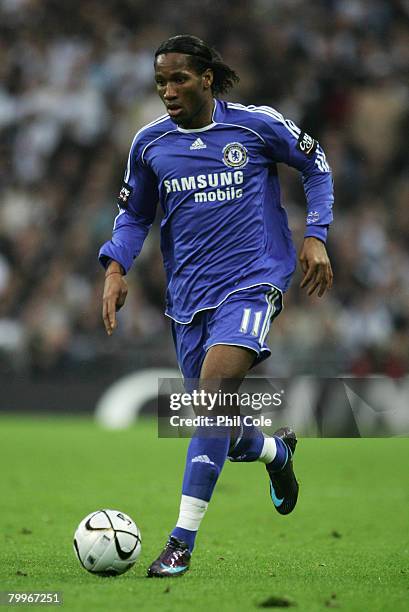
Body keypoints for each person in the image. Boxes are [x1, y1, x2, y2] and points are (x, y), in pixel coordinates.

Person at [99, 34, 334, 578]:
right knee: (218, 421)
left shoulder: (255, 125)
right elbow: (135, 216)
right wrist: (115, 268)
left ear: (206, 78)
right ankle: (276, 452)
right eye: (160, 82)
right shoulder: (149, 144)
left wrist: (316, 234)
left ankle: (181, 541)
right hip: (187, 299)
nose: (168, 91)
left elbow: (317, 164)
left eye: (178, 79)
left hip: (254, 282)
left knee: (211, 399)